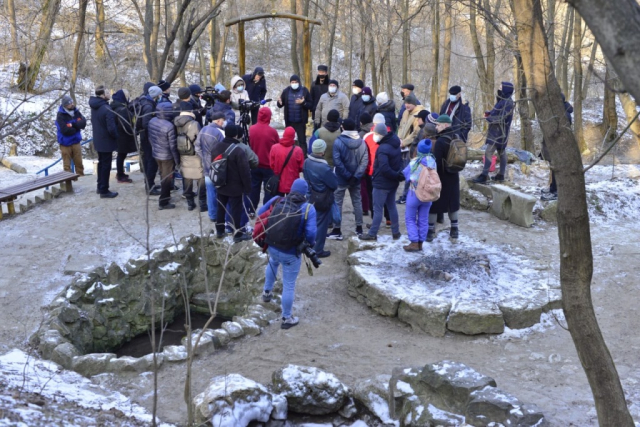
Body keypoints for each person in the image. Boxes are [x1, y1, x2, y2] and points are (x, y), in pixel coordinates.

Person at [260, 178, 317, 330]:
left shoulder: (278, 200)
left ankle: (266, 292)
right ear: (305, 193)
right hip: (291, 252)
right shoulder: (308, 208)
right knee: (289, 284)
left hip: (272, 245)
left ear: (291, 189)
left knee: (272, 263)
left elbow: (260, 213)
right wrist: (309, 244)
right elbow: (311, 234)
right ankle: (286, 318)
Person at [359, 123, 403, 241]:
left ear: (381, 134)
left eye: (376, 133)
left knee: (377, 209)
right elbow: (399, 162)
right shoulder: (395, 143)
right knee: (391, 206)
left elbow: (384, 168)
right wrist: (397, 176)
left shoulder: (383, 148)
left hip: (382, 183)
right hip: (392, 183)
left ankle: (372, 233)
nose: (374, 136)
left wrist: (394, 175)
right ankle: (396, 232)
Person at [328, 118, 368, 240]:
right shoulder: (362, 142)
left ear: (343, 127)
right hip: (355, 179)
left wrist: (348, 175)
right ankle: (359, 228)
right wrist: (356, 176)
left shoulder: (338, 142)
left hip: (341, 177)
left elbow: (337, 161)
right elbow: (364, 161)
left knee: (338, 203)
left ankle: (337, 229)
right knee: (357, 202)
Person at [210, 124, 252, 242]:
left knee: (221, 207)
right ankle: (237, 233)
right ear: (235, 135)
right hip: (235, 187)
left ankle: (219, 230)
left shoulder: (216, 147)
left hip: (220, 184)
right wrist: (248, 188)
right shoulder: (238, 151)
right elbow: (245, 172)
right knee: (236, 210)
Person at [472, 82, 515, 183]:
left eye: (501, 87)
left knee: (489, 152)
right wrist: (489, 113)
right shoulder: (502, 100)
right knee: (501, 152)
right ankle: (501, 175)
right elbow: (496, 112)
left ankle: (484, 175)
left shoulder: (508, 103)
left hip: (499, 132)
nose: (499, 88)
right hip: (496, 131)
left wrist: (489, 118)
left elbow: (502, 118)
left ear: (506, 89)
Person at [428, 114, 460, 242]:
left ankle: (430, 231)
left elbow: (435, 160)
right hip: (454, 175)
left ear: (445, 125)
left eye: (438, 125)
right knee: (453, 203)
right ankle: (454, 230)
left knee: (434, 203)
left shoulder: (441, 141)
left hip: (441, 176)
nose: (436, 127)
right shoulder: (457, 137)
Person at [303, 139, 337, 258]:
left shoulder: (306, 162)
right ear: (322, 151)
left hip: (311, 196)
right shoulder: (324, 167)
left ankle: (308, 243)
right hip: (323, 198)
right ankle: (318, 250)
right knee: (322, 224)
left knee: (311, 221)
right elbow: (334, 184)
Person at [402, 139, 435, 251]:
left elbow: (408, 177)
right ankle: (421, 243)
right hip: (428, 194)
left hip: (414, 194)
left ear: (418, 149)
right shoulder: (432, 162)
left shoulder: (415, 162)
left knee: (410, 218)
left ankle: (414, 242)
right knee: (423, 219)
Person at [540, 93, 573, 201]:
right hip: (554, 145)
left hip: (560, 146)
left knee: (557, 168)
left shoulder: (564, 115)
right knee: (554, 168)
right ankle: (552, 188)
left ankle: (556, 191)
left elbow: (561, 133)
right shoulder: (558, 112)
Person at [174, 101, 205, 211]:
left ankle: (190, 203)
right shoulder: (194, 124)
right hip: (195, 154)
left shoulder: (176, 122)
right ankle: (202, 204)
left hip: (183, 153)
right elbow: (200, 140)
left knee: (187, 177)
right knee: (201, 177)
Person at [89, 86, 119, 198]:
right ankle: (104, 190)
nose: (110, 93)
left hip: (98, 139)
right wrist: (116, 136)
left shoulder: (95, 106)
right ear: (102, 95)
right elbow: (111, 128)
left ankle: (100, 186)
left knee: (101, 164)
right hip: (106, 141)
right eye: (107, 92)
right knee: (106, 165)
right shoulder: (106, 108)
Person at [148, 103, 180, 209]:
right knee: (167, 178)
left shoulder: (152, 121)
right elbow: (173, 146)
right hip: (167, 157)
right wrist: (177, 160)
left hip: (156, 153)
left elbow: (150, 138)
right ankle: (163, 202)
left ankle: (166, 197)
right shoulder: (169, 126)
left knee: (162, 175)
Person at [396, 94, 426, 204]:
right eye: (406, 103)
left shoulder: (419, 115)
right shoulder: (405, 112)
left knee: (410, 173)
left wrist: (404, 142)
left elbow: (415, 133)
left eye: (409, 103)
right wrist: (399, 139)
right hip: (402, 145)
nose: (407, 105)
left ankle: (407, 196)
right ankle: (405, 195)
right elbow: (401, 127)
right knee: (405, 171)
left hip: (410, 147)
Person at [195, 111, 225, 221]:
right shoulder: (220, 133)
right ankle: (221, 214)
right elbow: (224, 150)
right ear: (218, 121)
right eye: (223, 121)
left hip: (206, 167)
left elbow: (197, 147)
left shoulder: (203, 129)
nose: (223, 123)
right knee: (221, 192)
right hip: (218, 167)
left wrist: (203, 158)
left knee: (210, 192)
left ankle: (212, 215)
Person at [249, 107, 279, 210]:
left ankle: (251, 209)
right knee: (268, 190)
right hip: (268, 165)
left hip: (254, 164)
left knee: (254, 188)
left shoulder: (251, 129)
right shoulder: (272, 132)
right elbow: (277, 146)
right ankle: (266, 210)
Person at [277, 75, 312, 156]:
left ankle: (303, 158)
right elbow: (280, 104)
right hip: (289, 122)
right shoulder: (286, 91)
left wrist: (303, 103)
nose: (294, 84)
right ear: (290, 83)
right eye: (292, 82)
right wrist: (279, 103)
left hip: (301, 122)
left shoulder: (304, 91)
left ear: (299, 82)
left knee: (302, 141)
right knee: (288, 141)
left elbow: (310, 105)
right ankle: (288, 156)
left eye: (296, 82)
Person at [137, 85, 162, 194]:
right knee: (151, 161)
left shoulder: (145, 102)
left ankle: (150, 183)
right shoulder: (148, 106)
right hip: (148, 137)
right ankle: (150, 186)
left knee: (149, 161)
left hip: (146, 136)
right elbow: (146, 123)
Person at [55, 94, 86, 176]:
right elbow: (65, 130)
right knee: (67, 166)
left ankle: (82, 179)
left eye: (72, 102)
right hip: (65, 143)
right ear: (65, 105)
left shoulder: (76, 111)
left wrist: (72, 125)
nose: (72, 104)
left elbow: (83, 123)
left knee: (79, 164)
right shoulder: (60, 115)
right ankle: (69, 183)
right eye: (69, 103)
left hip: (76, 142)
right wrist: (76, 126)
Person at [110, 89, 137, 183]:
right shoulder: (122, 109)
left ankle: (120, 173)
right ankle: (120, 175)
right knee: (121, 155)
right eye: (127, 96)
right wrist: (134, 132)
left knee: (121, 155)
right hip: (123, 136)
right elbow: (125, 124)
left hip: (119, 135)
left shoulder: (115, 106)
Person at [270, 127, 305, 197]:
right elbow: (301, 168)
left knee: (278, 204)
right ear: (293, 137)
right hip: (292, 184)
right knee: (291, 206)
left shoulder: (274, 148)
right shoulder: (298, 150)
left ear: (283, 134)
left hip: (278, 183)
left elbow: (272, 165)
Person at [358, 112, 374, 215]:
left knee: (363, 187)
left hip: (364, 164)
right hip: (374, 164)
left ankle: (365, 208)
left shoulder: (361, 135)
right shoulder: (375, 132)